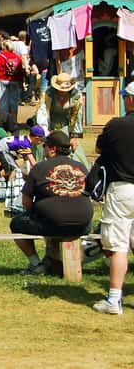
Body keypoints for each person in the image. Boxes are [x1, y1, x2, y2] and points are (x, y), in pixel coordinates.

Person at [9, 130, 93, 275]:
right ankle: (53, 260)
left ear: (53, 148)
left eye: (45, 146)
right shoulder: (81, 166)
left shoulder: (40, 168)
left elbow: (26, 201)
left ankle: (37, 264)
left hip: (53, 225)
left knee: (16, 223)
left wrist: (35, 213)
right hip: (84, 225)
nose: (43, 148)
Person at [89, 81, 134, 314]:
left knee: (118, 246)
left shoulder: (116, 125)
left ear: (131, 100)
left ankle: (114, 299)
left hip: (123, 189)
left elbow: (99, 149)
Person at [36, 72, 87, 167]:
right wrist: (46, 132)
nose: (63, 92)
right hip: (49, 127)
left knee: (76, 151)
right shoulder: (48, 94)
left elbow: (76, 117)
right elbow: (42, 114)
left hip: (67, 128)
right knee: (42, 147)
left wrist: (74, 136)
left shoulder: (76, 96)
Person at [0, 38, 25, 127]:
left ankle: (2, 123)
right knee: (13, 103)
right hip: (14, 81)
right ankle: (14, 123)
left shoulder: (1, 56)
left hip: (2, 80)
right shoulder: (17, 57)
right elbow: (21, 71)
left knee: (3, 103)